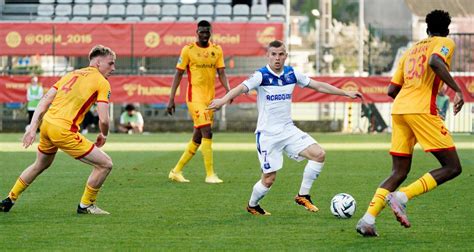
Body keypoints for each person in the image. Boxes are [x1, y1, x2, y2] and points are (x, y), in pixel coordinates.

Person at [208, 40, 362, 215]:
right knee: (269, 179)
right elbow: (240, 88)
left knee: (319, 154)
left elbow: (318, 85)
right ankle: (252, 205)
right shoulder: (261, 76)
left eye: (281, 54)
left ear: (286, 56)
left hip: (288, 130)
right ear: (268, 56)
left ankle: (303, 195)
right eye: (273, 54)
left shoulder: (291, 73)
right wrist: (222, 101)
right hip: (267, 135)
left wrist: (345, 93)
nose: (277, 58)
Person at [356, 10, 464, 237]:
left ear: (426, 30)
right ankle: (402, 197)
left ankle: (367, 220)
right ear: (446, 30)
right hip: (421, 110)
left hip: (400, 110)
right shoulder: (445, 42)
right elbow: (436, 62)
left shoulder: (410, 51)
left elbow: (391, 89)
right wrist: (456, 90)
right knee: (453, 167)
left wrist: (409, 107)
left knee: (399, 171)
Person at [0, 45, 116, 215]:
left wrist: (33, 128)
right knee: (105, 164)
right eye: (111, 63)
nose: (113, 68)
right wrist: (104, 134)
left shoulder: (71, 74)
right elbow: (104, 118)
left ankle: (10, 198)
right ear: (98, 62)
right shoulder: (101, 82)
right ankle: (86, 205)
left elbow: (45, 99)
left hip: (47, 125)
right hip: (63, 130)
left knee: (40, 164)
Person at [167, 20, 231, 184]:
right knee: (207, 132)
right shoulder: (188, 50)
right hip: (194, 98)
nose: (204, 34)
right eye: (201, 31)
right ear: (197, 32)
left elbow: (222, 73)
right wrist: (171, 98)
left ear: (211, 32)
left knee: (197, 137)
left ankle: (176, 171)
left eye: (207, 32)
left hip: (210, 99)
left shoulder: (216, 50)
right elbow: (178, 75)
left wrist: (229, 92)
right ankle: (210, 174)